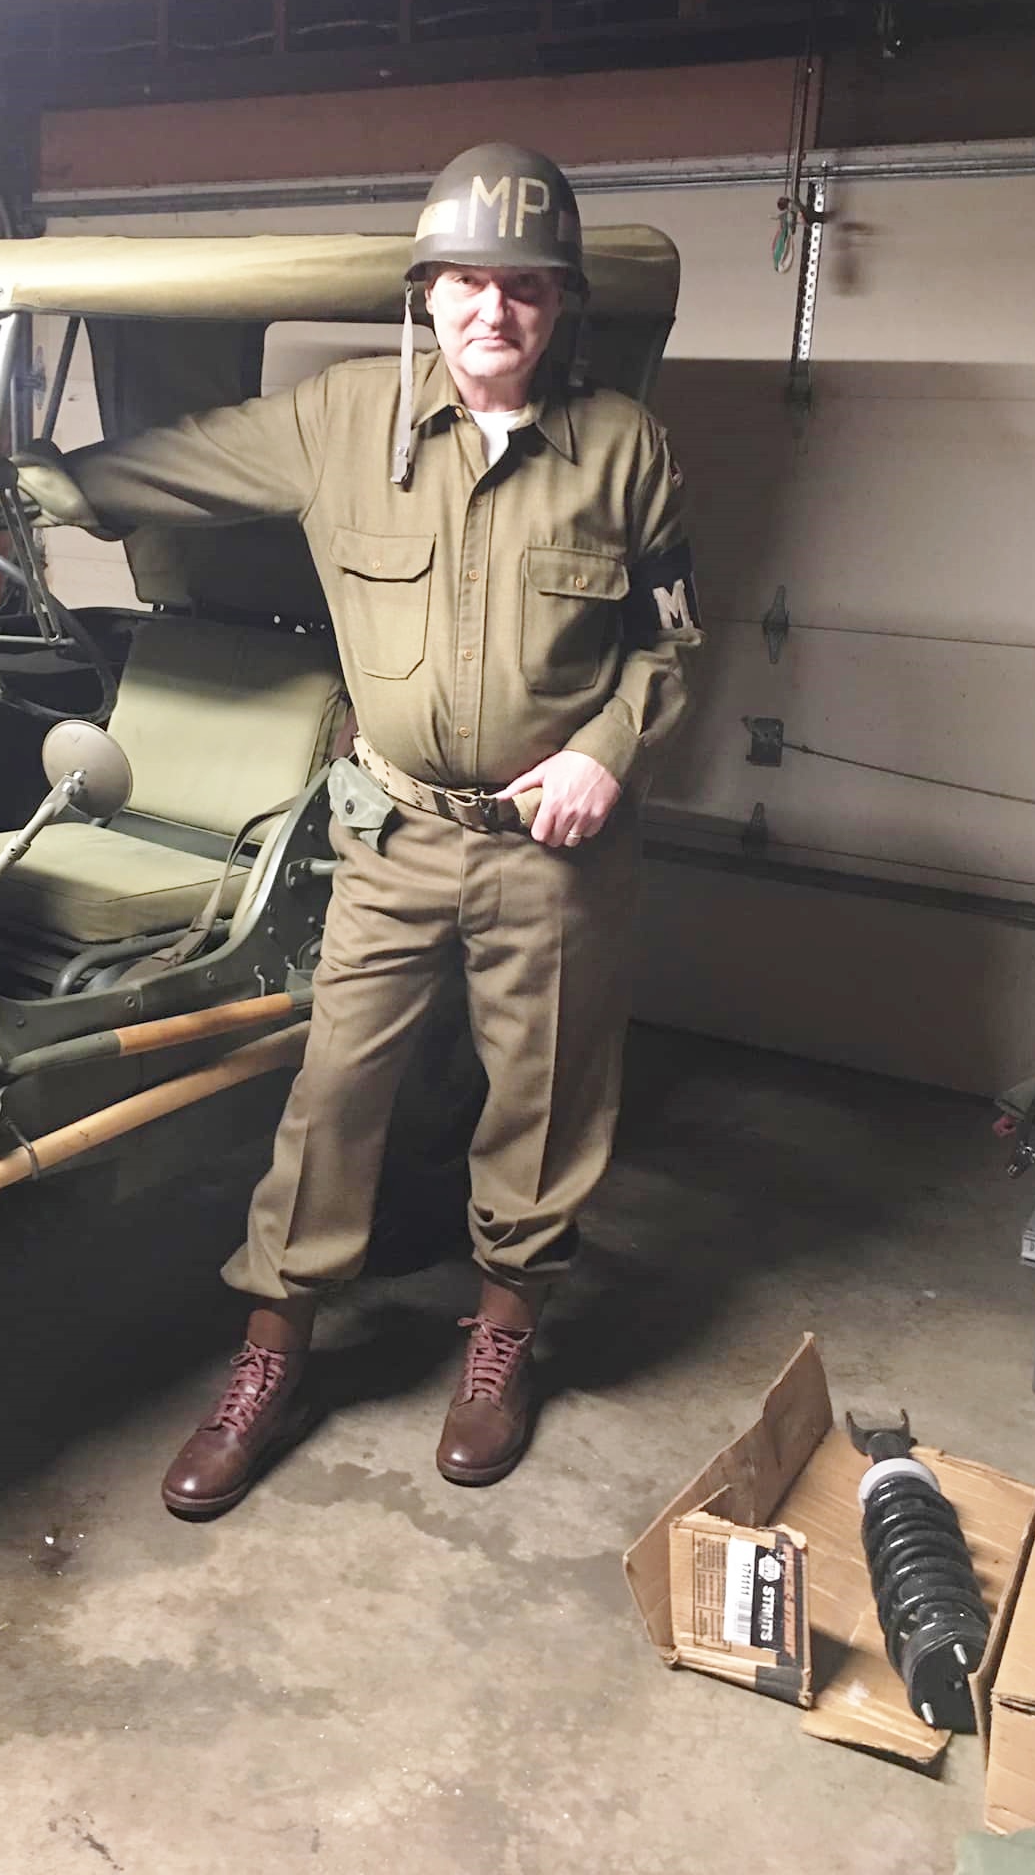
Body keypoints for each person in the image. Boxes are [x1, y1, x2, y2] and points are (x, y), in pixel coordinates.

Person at [50, 142, 704, 1518]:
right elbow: (161, 468)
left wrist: (606, 753)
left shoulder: (624, 450)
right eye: (466, 281)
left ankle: (502, 1341)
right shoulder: (341, 419)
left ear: (561, 304)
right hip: (395, 838)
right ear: (427, 294)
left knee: (544, 1099)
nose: (493, 310)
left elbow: (666, 643)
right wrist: (9, 491)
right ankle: (273, 1353)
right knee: (334, 1092)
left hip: (554, 853)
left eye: (525, 286)